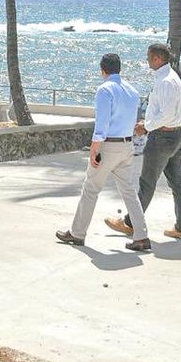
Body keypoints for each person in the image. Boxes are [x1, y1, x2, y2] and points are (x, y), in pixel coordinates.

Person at [56, 54, 151, 251]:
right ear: (119, 68)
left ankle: (77, 233)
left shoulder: (105, 90)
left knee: (90, 189)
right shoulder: (132, 91)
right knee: (129, 192)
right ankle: (141, 236)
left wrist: (94, 149)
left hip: (108, 145)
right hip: (127, 145)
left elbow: (102, 123)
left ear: (103, 70)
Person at [105, 42, 181, 241]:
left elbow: (167, 114)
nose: (146, 60)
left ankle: (129, 224)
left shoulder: (166, 82)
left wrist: (147, 126)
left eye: (148, 57)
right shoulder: (173, 78)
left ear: (157, 59)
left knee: (147, 184)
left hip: (163, 138)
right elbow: (172, 111)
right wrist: (150, 122)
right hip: (175, 135)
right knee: (177, 183)